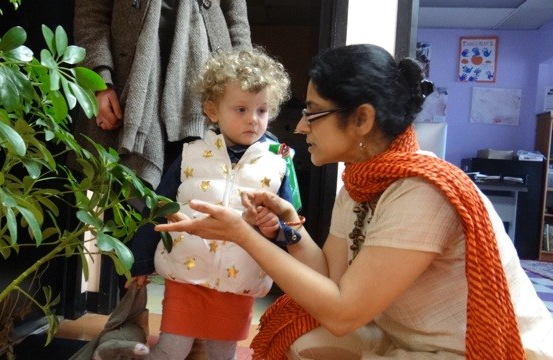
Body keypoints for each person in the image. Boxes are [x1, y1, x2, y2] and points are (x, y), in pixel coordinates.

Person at [154, 44, 553, 359]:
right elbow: (331, 275)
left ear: (361, 120)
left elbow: (343, 313)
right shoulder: (359, 185)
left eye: (312, 113)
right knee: (298, 337)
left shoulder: (422, 192)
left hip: (474, 351)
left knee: (315, 330)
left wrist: (243, 235)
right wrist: (291, 226)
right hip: (407, 338)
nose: (298, 126)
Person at [126, 47, 296, 359]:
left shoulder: (279, 164)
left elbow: (291, 220)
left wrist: (277, 229)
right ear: (212, 110)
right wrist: (140, 260)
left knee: (223, 353)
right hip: (185, 272)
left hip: (240, 278)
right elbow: (159, 207)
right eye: (241, 109)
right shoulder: (190, 155)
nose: (253, 120)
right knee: (171, 350)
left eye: (262, 111)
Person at [73, 0, 252, 189]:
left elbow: (236, 19)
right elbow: (92, 15)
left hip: (204, 92)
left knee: (198, 199)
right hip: (129, 91)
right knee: (128, 203)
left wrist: (244, 84)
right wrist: (100, 82)